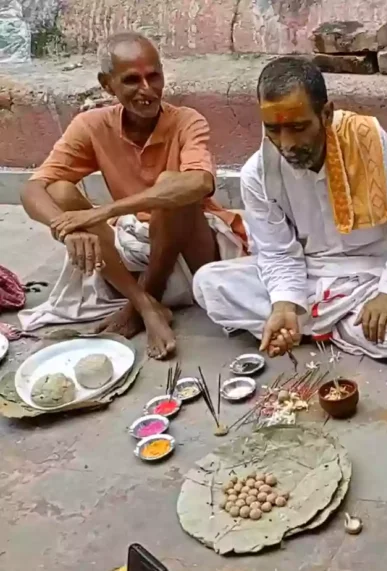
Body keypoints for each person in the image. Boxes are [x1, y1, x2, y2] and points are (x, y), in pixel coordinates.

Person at [18, 32, 246, 358]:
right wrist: (65, 227)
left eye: (154, 76)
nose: (147, 90)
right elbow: (32, 188)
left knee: (174, 189)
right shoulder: (92, 125)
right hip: (137, 250)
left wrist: (102, 213)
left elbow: (198, 184)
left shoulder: (186, 121)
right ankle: (145, 306)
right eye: (131, 80)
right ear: (107, 85)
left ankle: (141, 303)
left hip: (191, 250)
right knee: (60, 191)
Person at [193, 56, 387, 360]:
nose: (286, 144)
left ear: (326, 114)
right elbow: (277, 253)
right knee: (208, 284)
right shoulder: (257, 173)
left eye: (298, 127)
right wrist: (285, 305)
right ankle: (331, 327)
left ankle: (313, 327)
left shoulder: (368, 140)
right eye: (273, 129)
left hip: (372, 274)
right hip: (308, 274)